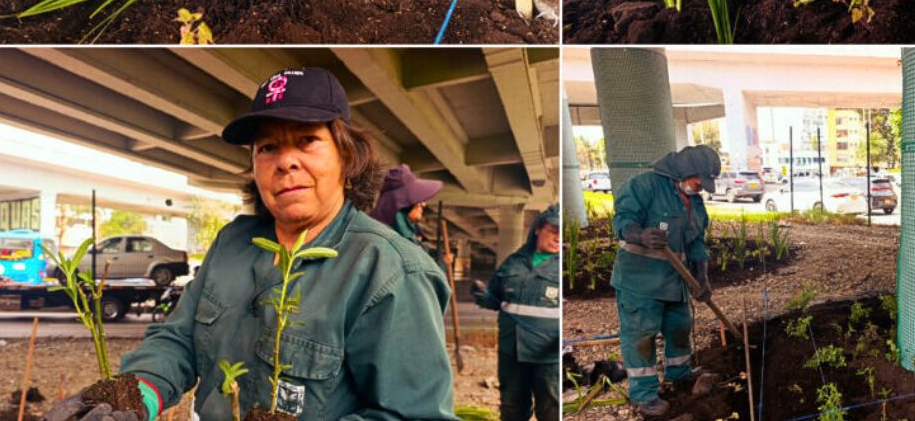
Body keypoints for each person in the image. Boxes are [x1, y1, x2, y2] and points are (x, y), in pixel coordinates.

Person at [44, 68, 456, 421]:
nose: (286, 161)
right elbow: (179, 339)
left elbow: (411, 414)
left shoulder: (390, 270)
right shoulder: (233, 242)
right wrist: (137, 395)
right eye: (268, 147)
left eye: (307, 140)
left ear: (347, 158)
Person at [611, 146, 720, 416]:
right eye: (699, 180)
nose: (701, 187)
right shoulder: (645, 185)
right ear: (685, 171)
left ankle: (679, 371)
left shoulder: (695, 202)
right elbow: (622, 221)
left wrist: (702, 278)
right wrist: (639, 234)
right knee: (641, 337)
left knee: (679, 328)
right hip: (640, 282)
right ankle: (645, 395)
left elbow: (696, 244)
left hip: (675, 282)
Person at [472, 204, 561, 421]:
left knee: (550, 409)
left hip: (548, 356)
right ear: (538, 229)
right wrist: (483, 295)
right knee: (511, 408)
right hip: (511, 351)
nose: (558, 237)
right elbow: (496, 299)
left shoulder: (560, 266)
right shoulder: (514, 262)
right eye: (553, 230)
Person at [368, 163, 449, 262]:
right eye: (417, 199)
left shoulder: (397, 236)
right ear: (402, 205)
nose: (423, 204)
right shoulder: (387, 242)